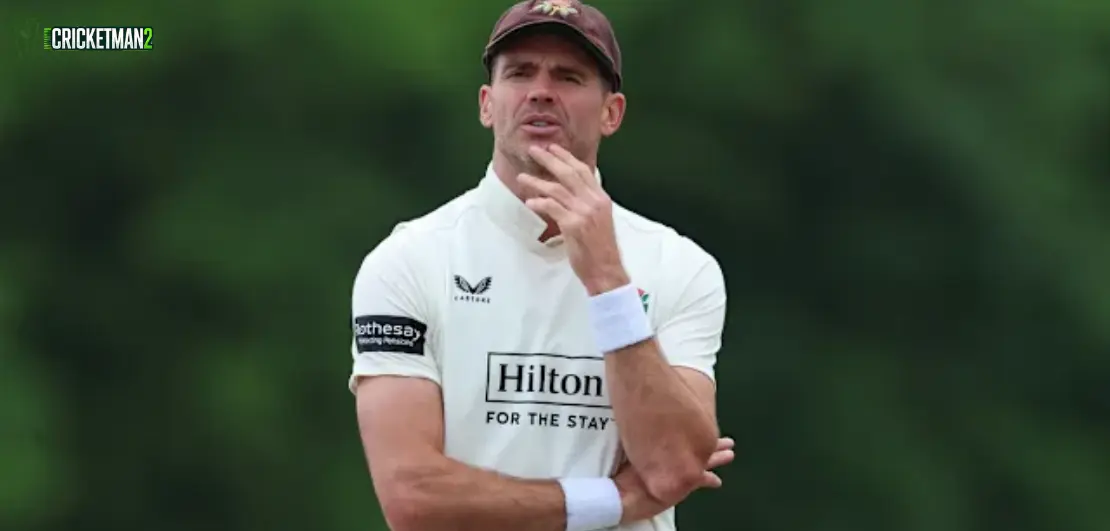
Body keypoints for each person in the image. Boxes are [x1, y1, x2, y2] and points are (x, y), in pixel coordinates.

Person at [348, 1, 733, 529]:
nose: (541, 91)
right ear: (487, 104)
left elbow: (675, 466)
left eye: (569, 76)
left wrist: (608, 280)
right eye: (520, 72)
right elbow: (413, 498)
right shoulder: (408, 260)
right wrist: (613, 501)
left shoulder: (678, 265)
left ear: (612, 113)